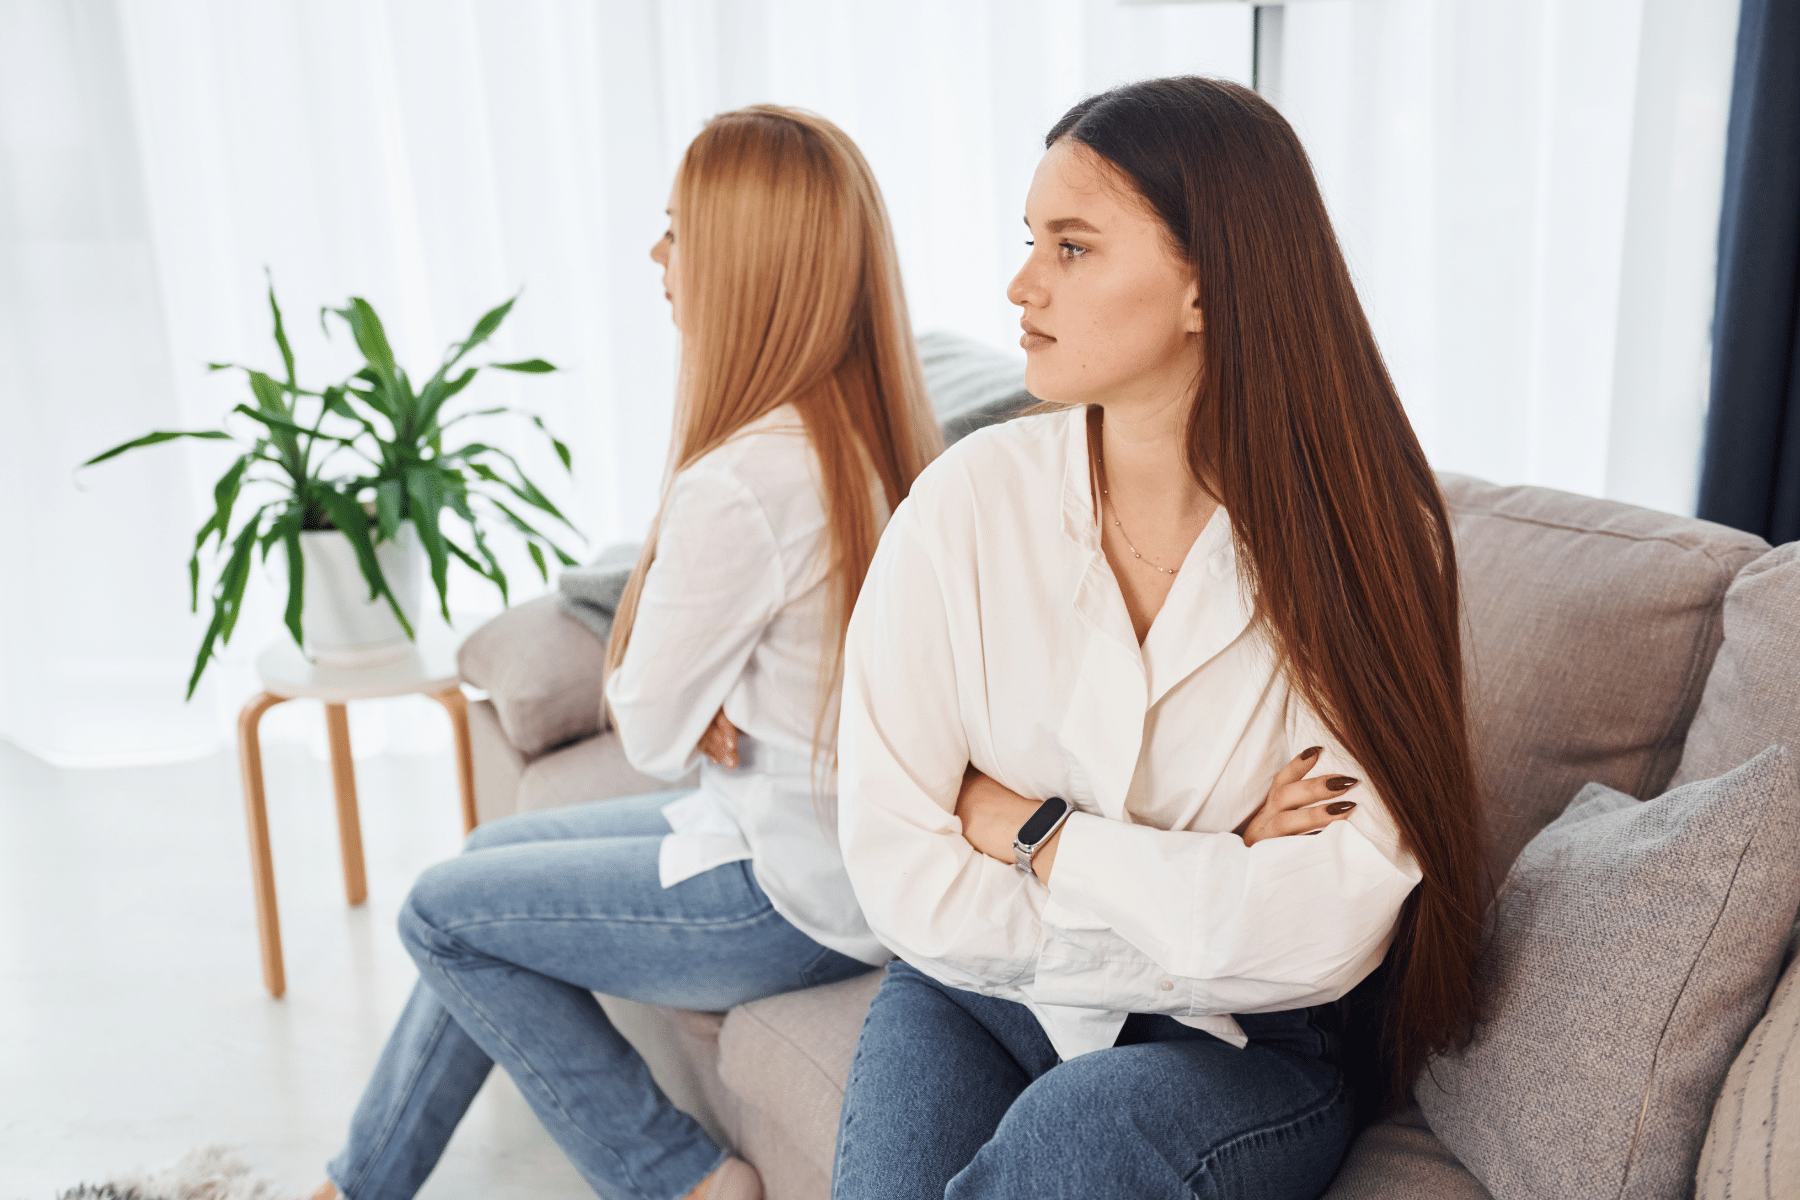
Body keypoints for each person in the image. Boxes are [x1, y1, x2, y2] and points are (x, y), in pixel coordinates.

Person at [831, 76, 1487, 1200]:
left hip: (1245, 1046)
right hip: (972, 990)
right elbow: (899, 862)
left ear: (1205, 284)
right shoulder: (965, 505)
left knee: (1079, 1138)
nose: (1021, 285)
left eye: (1073, 248)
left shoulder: (1374, 545)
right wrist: (1212, 861)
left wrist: (1039, 831)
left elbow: (1324, 930)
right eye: (1029, 241)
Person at [314, 105, 941, 1200]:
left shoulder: (742, 480)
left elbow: (648, 730)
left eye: (676, 232)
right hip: (824, 853)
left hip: (782, 891)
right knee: (478, 864)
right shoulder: (870, 441)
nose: (658, 257)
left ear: (744, 265)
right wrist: (697, 695)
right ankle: (351, 1190)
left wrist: (686, 694)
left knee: (438, 915)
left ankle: (681, 1178)